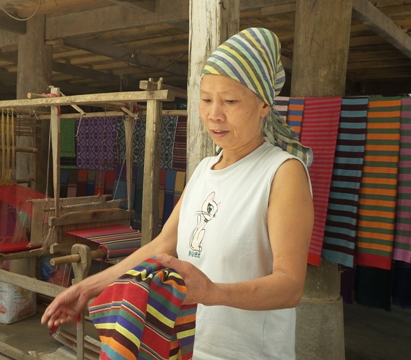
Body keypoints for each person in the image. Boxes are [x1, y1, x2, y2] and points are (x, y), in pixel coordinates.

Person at [42, 27, 314, 359]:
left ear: (263, 106)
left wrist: (212, 292)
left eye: (229, 101)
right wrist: (84, 289)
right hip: (186, 347)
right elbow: (160, 246)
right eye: (206, 99)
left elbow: (289, 286)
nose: (214, 113)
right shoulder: (203, 170)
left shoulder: (281, 172)